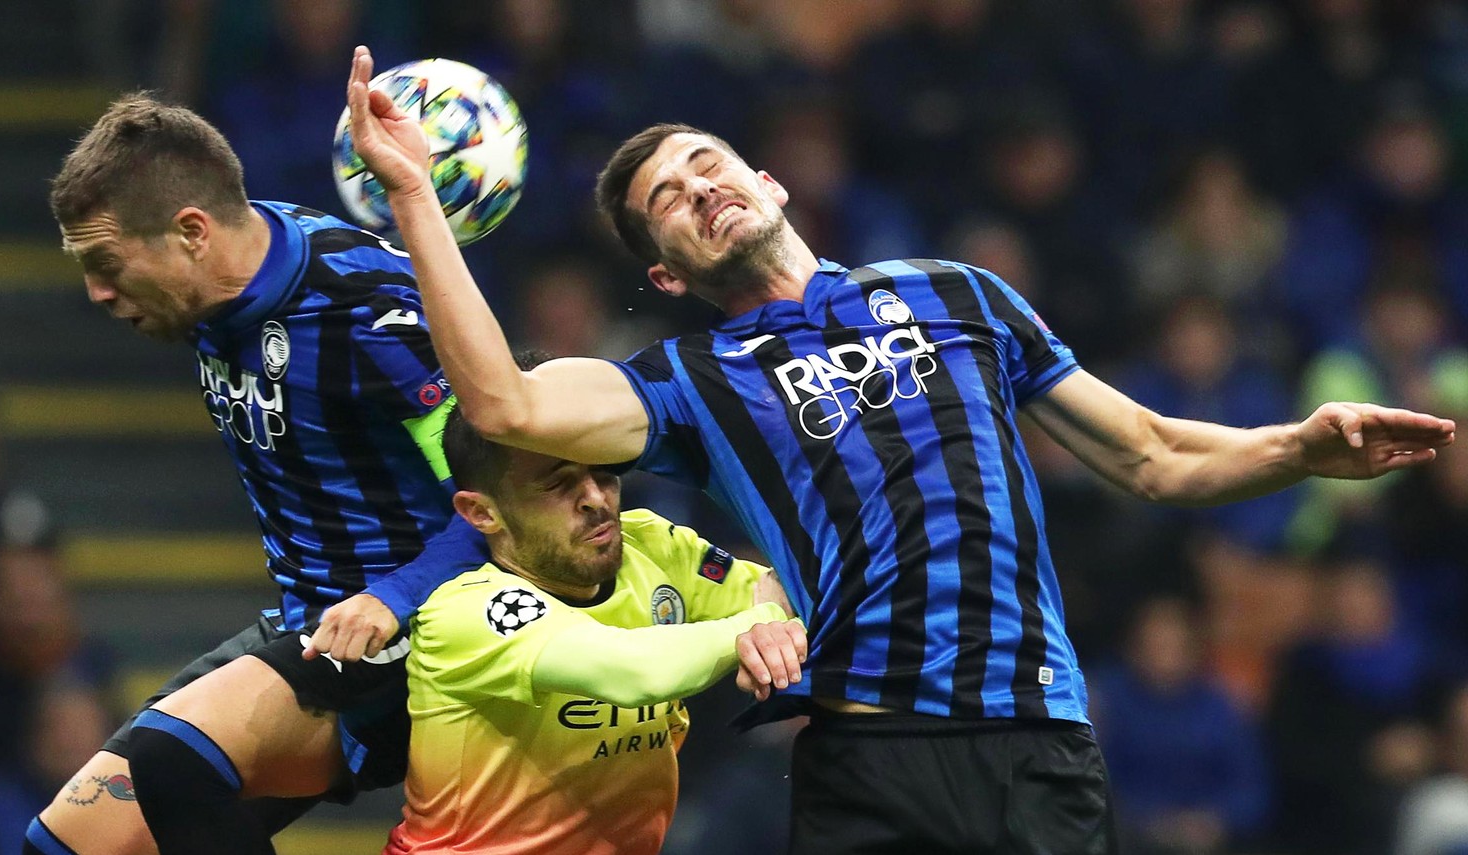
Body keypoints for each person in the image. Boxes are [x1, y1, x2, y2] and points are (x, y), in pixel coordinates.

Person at [344, 45, 1456, 853]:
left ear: (768, 181)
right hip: (869, 757)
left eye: (707, 163)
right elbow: (500, 407)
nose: (698, 189)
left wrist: (1298, 448)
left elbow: (1156, 453)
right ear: (667, 275)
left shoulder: (958, 292)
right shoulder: (685, 382)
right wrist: (416, 203)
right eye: (667, 203)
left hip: (1037, 744)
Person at [27, 94, 485, 855]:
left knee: (176, 760)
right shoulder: (223, 270)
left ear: (192, 233)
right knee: (66, 846)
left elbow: (505, 502)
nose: (97, 294)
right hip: (311, 624)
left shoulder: (365, 315)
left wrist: (393, 596)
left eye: (107, 265)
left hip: (425, 631)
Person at [386, 397, 804, 855]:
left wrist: (777, 628)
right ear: (482, 512)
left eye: (603, 472)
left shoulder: (653, 546)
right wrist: (761, 624)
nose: (596, 498)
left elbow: (800, 598)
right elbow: (637, 672)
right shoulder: (468, 612)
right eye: (558, 485)